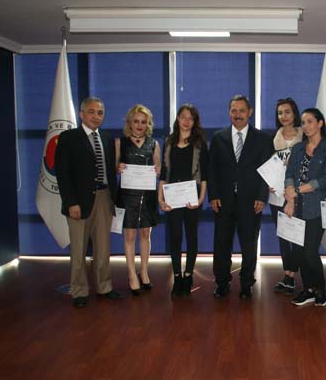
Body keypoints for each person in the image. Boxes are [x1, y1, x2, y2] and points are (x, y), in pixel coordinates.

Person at [55, 97, 122, 308]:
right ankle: (79, 291)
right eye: (91, 112)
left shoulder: (107, 138)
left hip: (104, 198)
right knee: (79, 249)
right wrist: (71, 202)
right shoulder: (68, 138)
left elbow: (110, 170)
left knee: (103, 248)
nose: (96, 116)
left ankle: (104, 287)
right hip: (79, 201)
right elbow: (63, 174)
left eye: (100, 113)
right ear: (81, 114)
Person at [208, 95, 274, 299]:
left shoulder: (263, 139)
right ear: (229, 112)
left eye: (242, 111)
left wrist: (262, 197)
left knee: (249, 245)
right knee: (221, 244)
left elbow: (267, 170)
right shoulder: (218, 138)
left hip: (251, 201)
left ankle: (246, 283)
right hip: (223, 201)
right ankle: (222, 282)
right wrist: (213, 195)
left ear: (250, 112)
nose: (237, 115)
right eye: (234, 111)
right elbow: (212, 169)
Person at [283, 108, 326, 306]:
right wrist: (290, 198)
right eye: (303, 122)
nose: (306, 126)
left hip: (316, 207)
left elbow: (325, 179)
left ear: (320, 123)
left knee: (310, 251)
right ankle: (308, 289)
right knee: (298, 249)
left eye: (310, 121)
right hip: (296, 206)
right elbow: (289, 173)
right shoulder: (298, 148)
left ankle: (319, 288)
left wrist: (298, 190)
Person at [159, 104, 208, 297]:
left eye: (191, 118)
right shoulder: (169, 141)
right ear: (178, 118)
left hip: (192, 195)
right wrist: (160, 197)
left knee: (191, 235)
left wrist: (201, 198)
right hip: (172, 195)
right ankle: (177, 276)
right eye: (183, 117)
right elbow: (164, 172)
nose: (186, 121)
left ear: (195, 121)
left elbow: (205, 174)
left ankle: (188, 275)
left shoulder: (200, 143)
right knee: (175, 236)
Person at [115, 104, 161, 296]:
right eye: (136, 121)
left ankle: (144, 271)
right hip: (127, 196)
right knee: (130, 236)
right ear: (129, 123)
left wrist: (158, 170)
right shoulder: (120, 142)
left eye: (143, 122)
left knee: (145, 234)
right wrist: (118, 168)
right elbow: (113, 167)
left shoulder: (154, 143)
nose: (140, 125)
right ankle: (132, 274)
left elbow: (159, 169)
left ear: (148, 124)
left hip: (147, 196)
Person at [270, 98, 303, 295]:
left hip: (298, 193)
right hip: (276, 195)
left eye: (287, 112)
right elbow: (268, 166)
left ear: (294, 113)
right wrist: (268, 183)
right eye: (280, 113)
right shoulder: (273, 139)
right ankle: (287, 275)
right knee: (283, 236)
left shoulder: (304, 135)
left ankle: (294, 274)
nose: (283, 116)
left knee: (297, 235)